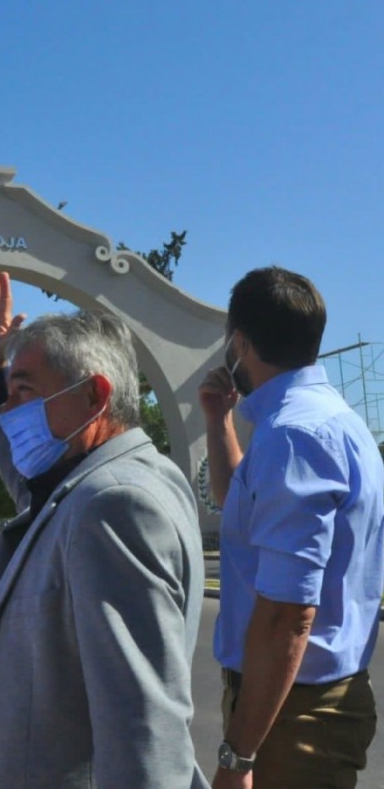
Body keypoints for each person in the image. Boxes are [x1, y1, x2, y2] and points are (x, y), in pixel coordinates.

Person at [0, 270, 208, 789]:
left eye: (23, 391)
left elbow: (143, 727)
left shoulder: (113, 505)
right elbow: (36, 496)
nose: (11, 411)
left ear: (94, 397)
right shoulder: (109, 483)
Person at [199, 266, 384, 789]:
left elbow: (287, 616)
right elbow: (244, 506)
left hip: (293, 713)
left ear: (240, 342)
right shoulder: (329, 422)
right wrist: (219, 421)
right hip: (300, 701)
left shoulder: (292, 437)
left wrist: (238, 758)